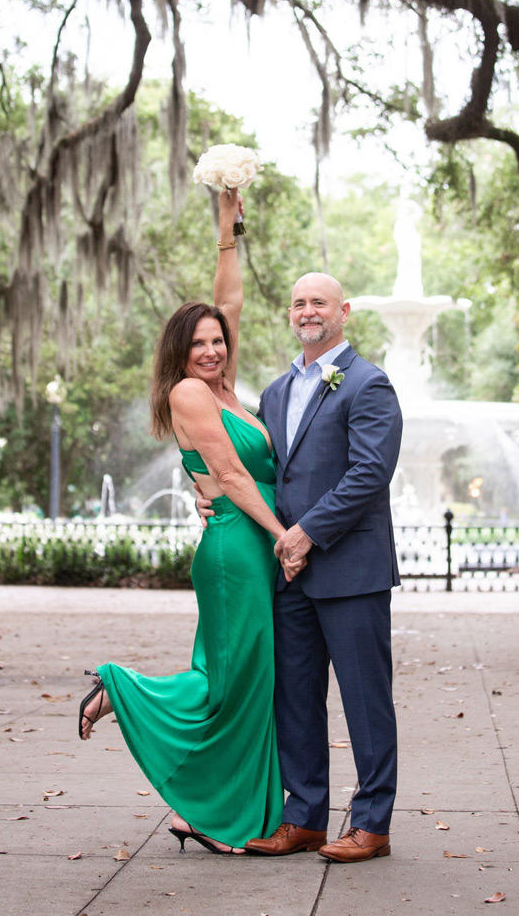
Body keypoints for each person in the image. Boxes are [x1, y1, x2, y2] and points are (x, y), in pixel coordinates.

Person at [78, 188, 302, 854]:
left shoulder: (227, 382)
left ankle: (198, 810)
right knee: (226, 682)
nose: (210, 348)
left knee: (249, 684)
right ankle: (118, 688)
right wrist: (283, 535)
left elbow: (226, 303)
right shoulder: (189, 392)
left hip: (253, 543)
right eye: (198, 343)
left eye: (216, 341)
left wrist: (227, 226)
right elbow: (231, 478)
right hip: (238, 547)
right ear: (179, 353)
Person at [236, 271, 403, 863]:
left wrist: (306, 532)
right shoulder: (277, 392)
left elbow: (368, 474)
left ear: (344, 312)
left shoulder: (368, 384)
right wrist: (214, 494)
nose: (309, 311)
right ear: (290, 314)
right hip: (291, 576)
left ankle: (372, 824)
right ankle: (303, 818)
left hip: (351, 570)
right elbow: (265, 469)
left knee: (365, 700)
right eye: (300, 303)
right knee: (295, 698)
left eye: (320, 303)